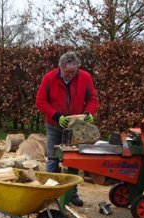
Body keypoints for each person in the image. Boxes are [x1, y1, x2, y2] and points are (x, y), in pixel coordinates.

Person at [35, 51, 99, 207]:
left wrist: (89, 112)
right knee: (53, 158)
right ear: (60, 67)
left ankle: (71, 193)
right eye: (68, 72)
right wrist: (56, 116)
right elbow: (40, 101)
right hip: (54, 125)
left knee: (73, 160)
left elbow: (92, 99)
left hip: (75, 126)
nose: (71, 75)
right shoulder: (49, 78)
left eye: (74, 71)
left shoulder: (85, 77)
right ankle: (48, 194)